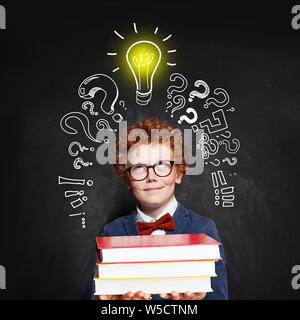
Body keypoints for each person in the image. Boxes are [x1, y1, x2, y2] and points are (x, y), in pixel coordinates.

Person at [93, 117, 228, 300]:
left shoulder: (204, 229)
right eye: (139, 167)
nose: (151, 177)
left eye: (162, 164)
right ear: (127, 179)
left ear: (178, 172)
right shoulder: (111, 232)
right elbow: (99, 296)